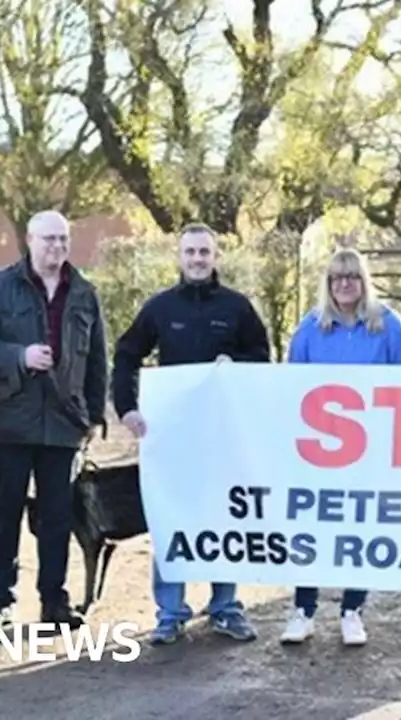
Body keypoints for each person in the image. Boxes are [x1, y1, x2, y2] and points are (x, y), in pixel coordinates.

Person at [111, 223, 271, 646]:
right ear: (179, 258)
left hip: (223, 437)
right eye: (190, 252)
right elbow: (126, 355)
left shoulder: (237, 308)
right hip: (172, 437)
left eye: (204, 252)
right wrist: (127, 408)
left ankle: (225, 607)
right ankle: (170, 612)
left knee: (224, 519)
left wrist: (233, 362)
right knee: (170, 520)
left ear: (216, 257)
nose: (198, 259)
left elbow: (261, 357)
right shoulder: (160, 308)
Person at [0, 210, 109, 633]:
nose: (57, 247)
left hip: (63, 424)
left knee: (57, 515)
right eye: (48, 239)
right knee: (5, 513)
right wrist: (18, 356)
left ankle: (53, 599)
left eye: (63, 239)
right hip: (11, 421)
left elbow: (98, 358)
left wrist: (93, 414)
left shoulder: (83, 292)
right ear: (29, 240)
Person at [280, 247, 401, 647]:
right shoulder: (309, 329)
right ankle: (303, 609)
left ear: (363, 281)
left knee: (360, 527)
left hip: (370, 450)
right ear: (327, 283)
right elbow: (290, 388)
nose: (344, 284)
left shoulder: (387, 326)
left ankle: (353, 609)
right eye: (337, 277)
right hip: (318, 451)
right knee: (311, 528)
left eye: (352, 276)